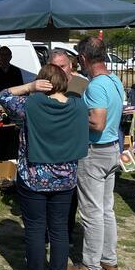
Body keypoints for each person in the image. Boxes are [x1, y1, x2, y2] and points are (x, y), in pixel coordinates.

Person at [0, 65, 88, 270]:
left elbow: (3, 95)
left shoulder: (30, 105)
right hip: (65, 179)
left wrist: (29, 87)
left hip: (34, 177)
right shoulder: (78, 106)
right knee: (60, 231)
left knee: (36, 230)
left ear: (42, 83)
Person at [66, 37, 124, 270]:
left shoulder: (96, 86)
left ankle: (90, 266)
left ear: (83, 58)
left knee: (91, 212)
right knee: (106, 208)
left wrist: (72, 113)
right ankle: (109, 259)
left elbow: (97, 123)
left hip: (95, 152)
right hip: (111, 149)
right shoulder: (114, 80)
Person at [50, 48, 88, 243]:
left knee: (70, 193)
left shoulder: (83, 84)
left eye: (63, 66)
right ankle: (49, 231)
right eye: (55, 67)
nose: (59, 70)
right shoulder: (45, 85)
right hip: (50, 145)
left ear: (71, 65)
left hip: (73, 145)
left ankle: (67, 231)